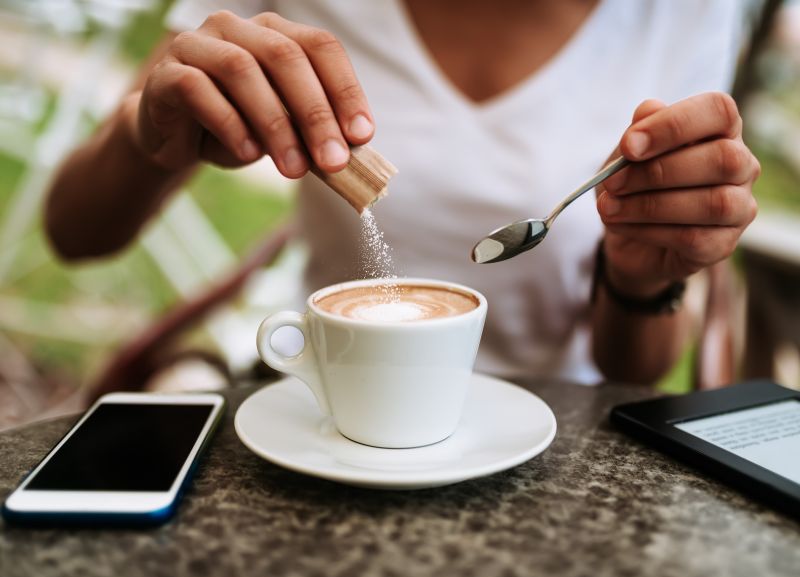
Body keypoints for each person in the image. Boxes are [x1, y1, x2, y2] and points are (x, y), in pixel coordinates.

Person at [44, 0, 761, 385]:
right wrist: (146, 144)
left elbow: (635, 367)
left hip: (552, 438)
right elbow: (75, 233)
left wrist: (640, 275)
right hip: (327, 409)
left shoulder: (687, 10)